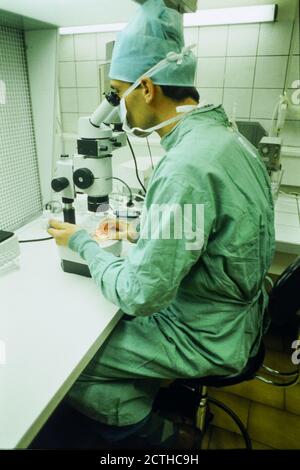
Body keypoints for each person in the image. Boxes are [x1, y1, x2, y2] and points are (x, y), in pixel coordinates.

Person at [46, 0, 275, 449]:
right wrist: (145, 231)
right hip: (235, 318)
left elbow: (139, 293)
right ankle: (146, 402)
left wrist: (83, 243)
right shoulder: (224, 136)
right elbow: (209, 232)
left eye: (118, 93)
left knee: (72, 362)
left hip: (205, 336)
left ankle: (157, 437)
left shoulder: (184, 166)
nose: (119, 108)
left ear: (146, 88)